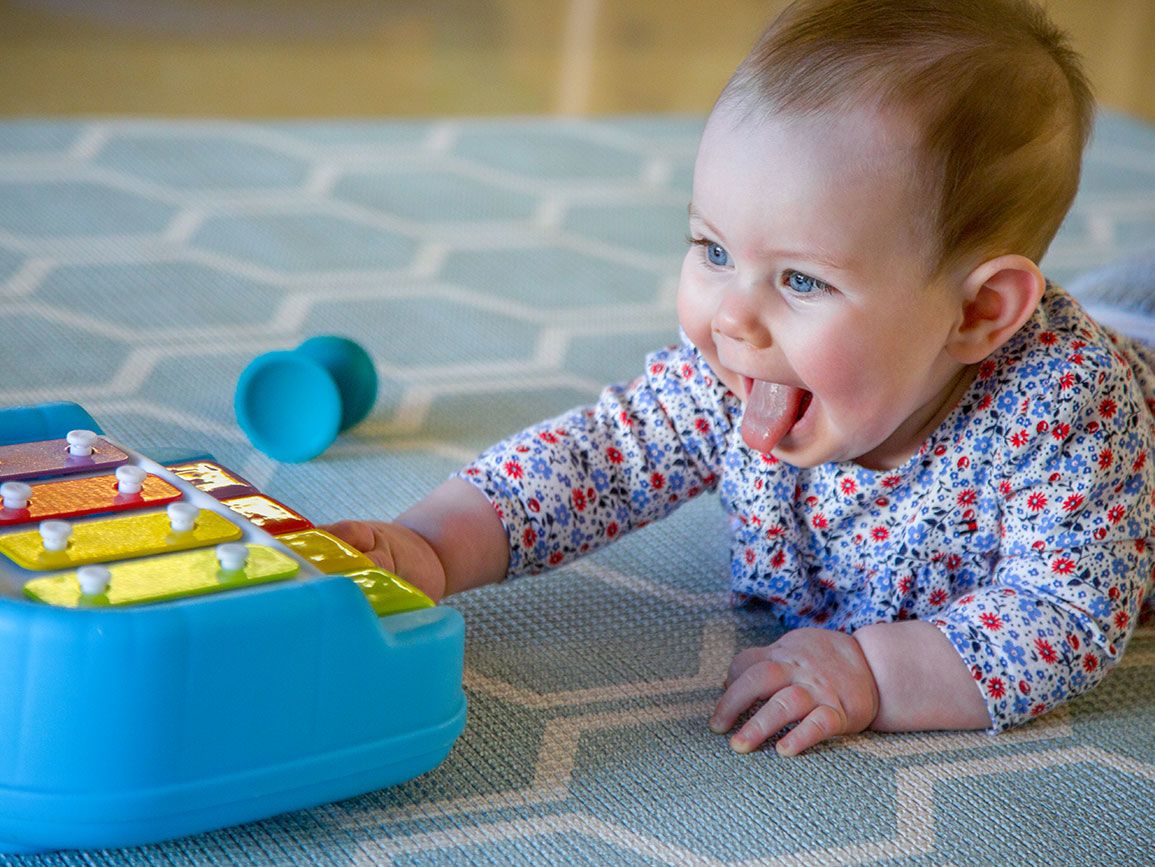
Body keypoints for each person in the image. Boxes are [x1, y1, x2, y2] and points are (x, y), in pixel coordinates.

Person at [326, 0, 1155, 757]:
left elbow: (1063, 617)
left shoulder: (1066, 413)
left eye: (801, 279)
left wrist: (871, 670)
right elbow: (607, 456)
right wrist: (432, 543)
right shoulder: (748, 366)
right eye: (713, 250)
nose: (732, 317)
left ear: (976, 314)